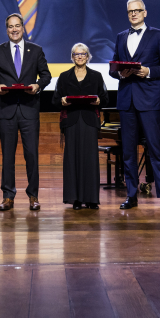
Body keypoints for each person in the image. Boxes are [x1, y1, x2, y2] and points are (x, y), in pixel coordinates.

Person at [110, 0, 160, 211]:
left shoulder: (157, 35)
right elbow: (113, 68)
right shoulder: (120, 37)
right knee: (128, 151)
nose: (134, 14)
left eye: (138, 11)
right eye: (130, 11)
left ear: (145, 13)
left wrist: (148, 72)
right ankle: (131, 195)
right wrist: (120, 73)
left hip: (149, 101)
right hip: (126, 100)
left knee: (155, 150)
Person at [0, 13, 52, 211]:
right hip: (6, 110)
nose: (14, 30)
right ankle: (8, 196)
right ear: (6, 29)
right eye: (10, 27)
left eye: (17, 26)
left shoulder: (36, 50)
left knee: (31, 155)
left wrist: (38, 85)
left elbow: (46, 75)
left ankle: (33, 196)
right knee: (8, 156)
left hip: (29, 110)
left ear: (23, 28)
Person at [52, 43, 109, 210]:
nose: (80, 56)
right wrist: (61, 100)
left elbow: (105, 98)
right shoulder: (64, 76)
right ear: (72, 57)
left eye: (83, 54)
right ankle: (75, 199)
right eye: (76, 54)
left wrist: (99, 101)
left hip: (89, 121)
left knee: (90, 160)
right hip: (71, 121)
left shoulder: (96, 76)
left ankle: (91, 199)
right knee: (72, 160)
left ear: (88, 56)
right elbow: (55, 100)